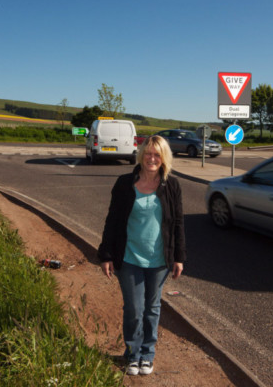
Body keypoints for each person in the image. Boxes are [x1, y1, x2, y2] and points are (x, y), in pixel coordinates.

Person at [98, 135, 186, 376]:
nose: (152, 158)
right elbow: (112, 221)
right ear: (141, 155)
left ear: (164, 158)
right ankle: (132, 353)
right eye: (148, 153)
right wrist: (105, 255)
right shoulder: (124, 184)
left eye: (157, 154)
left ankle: (147, 354)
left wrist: (179, 257)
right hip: (128, 258)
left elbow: (178, 223)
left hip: (159, 261)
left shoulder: (172, 185)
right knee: (134, 309)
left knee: (152, 308)